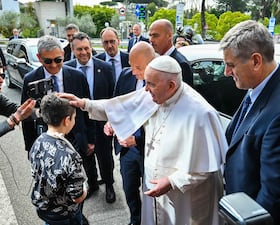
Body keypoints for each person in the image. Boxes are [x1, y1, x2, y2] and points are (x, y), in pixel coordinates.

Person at [58, 55, 227, 225]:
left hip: (186, 199)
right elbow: (118, 106)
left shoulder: (201, 114)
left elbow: (208, 169)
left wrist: (172, 181)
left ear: (171, 85)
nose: (145, 89)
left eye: (150, 84)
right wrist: (84, 104)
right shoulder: (155, 94)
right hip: (156, 192)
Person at [20, 35, 94, 224]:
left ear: (63, 54)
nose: (53, 65)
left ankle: (75, 212)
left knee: (75, 181)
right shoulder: (30, 79)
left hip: (76, 139)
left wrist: (91, 139)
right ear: (38, 57)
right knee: (54, 187)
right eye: (48, 61)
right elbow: (25, 119)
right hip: (47, 142)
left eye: (58, 60)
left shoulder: (77, 76)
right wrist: (30, 148)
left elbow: (87, 110)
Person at [220, 20, 280, 224]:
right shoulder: (256, 87)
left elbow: (273, 194)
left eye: (231, 65)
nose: (226, 73)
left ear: (256, 61)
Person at [105, 42, 155, 225]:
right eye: (131, 66)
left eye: (138, 67)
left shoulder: (161, 82)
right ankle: (135, 220)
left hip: (148, 149)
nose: (133, 71)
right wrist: (111, 123)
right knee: (129, 189)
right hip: (126, 150)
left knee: (151, 193)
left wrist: (137, 139)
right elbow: (117, 106)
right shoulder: (126, 75)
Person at [65, 32, 115, 203]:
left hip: (101, 121)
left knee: (105, 156)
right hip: (79, 124)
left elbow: (112, 97)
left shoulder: (106, 68)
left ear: (91, 47)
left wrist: (111, 119)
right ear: (73, 50)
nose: (84, 52)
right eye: (79, 49)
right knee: (86, 156)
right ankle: (93, 184)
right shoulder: (68, 69)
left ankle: (109, 184)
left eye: (86, 48)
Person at [30, 94, 88, 225]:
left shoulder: (39, 141)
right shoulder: (70, 155)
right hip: (65, 215)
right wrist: (85, 186)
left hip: (44, 209)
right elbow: (77, 197)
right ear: (67, 120)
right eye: (74, 118)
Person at [148, 19, 193, 87]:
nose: (151, 39)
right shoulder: (154, 60)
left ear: (169, 36)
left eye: (155, 35)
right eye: (150, 35)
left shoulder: (181, 64)